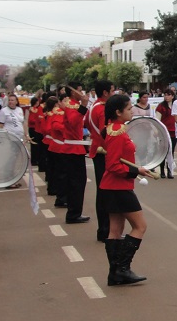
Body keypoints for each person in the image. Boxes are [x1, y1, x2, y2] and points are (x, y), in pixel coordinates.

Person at [101, 93, 153, 286]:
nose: (132, 111)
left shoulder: (116, 129)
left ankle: (115, 273)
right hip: (118, 187)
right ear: (118, 112)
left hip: (113, 187)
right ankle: (123, 269)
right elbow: (113, 165)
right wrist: (136, 170)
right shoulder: (116, 132)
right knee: (140, 226)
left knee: (115, 230)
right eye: (129, 108)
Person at [53, 83, 90, 224]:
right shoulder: (71, 105)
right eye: (79, 90)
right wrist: (83, 106)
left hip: (76, 146)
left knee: (78, 182)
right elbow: (74, 122)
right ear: (73, 92)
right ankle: (73, 214)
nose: (82, 93)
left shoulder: (74, 105)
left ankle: (75, 212)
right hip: (72, 148)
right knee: (76, 183)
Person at [87, 79, 114, 242]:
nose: (114, 93)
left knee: (103, 191)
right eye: (112, 90)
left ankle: (104, 229)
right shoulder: (103, 109)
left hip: (97, 151)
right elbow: (106, 132)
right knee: (106, 192)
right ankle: (105, 230)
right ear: (105, 92)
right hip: (103, 152)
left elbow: (86, 124)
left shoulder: (93, 106)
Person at [155, 87, 176, 179]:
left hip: (173, 132)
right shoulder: (161, 106)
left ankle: (170, 170)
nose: (167, 97)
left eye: (169, 95)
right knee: (163, 151)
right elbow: (157, 119)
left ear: (172, 96)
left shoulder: (176, 105)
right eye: (165, 95)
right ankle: (162, 170)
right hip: (164, 131)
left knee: (171, 151)